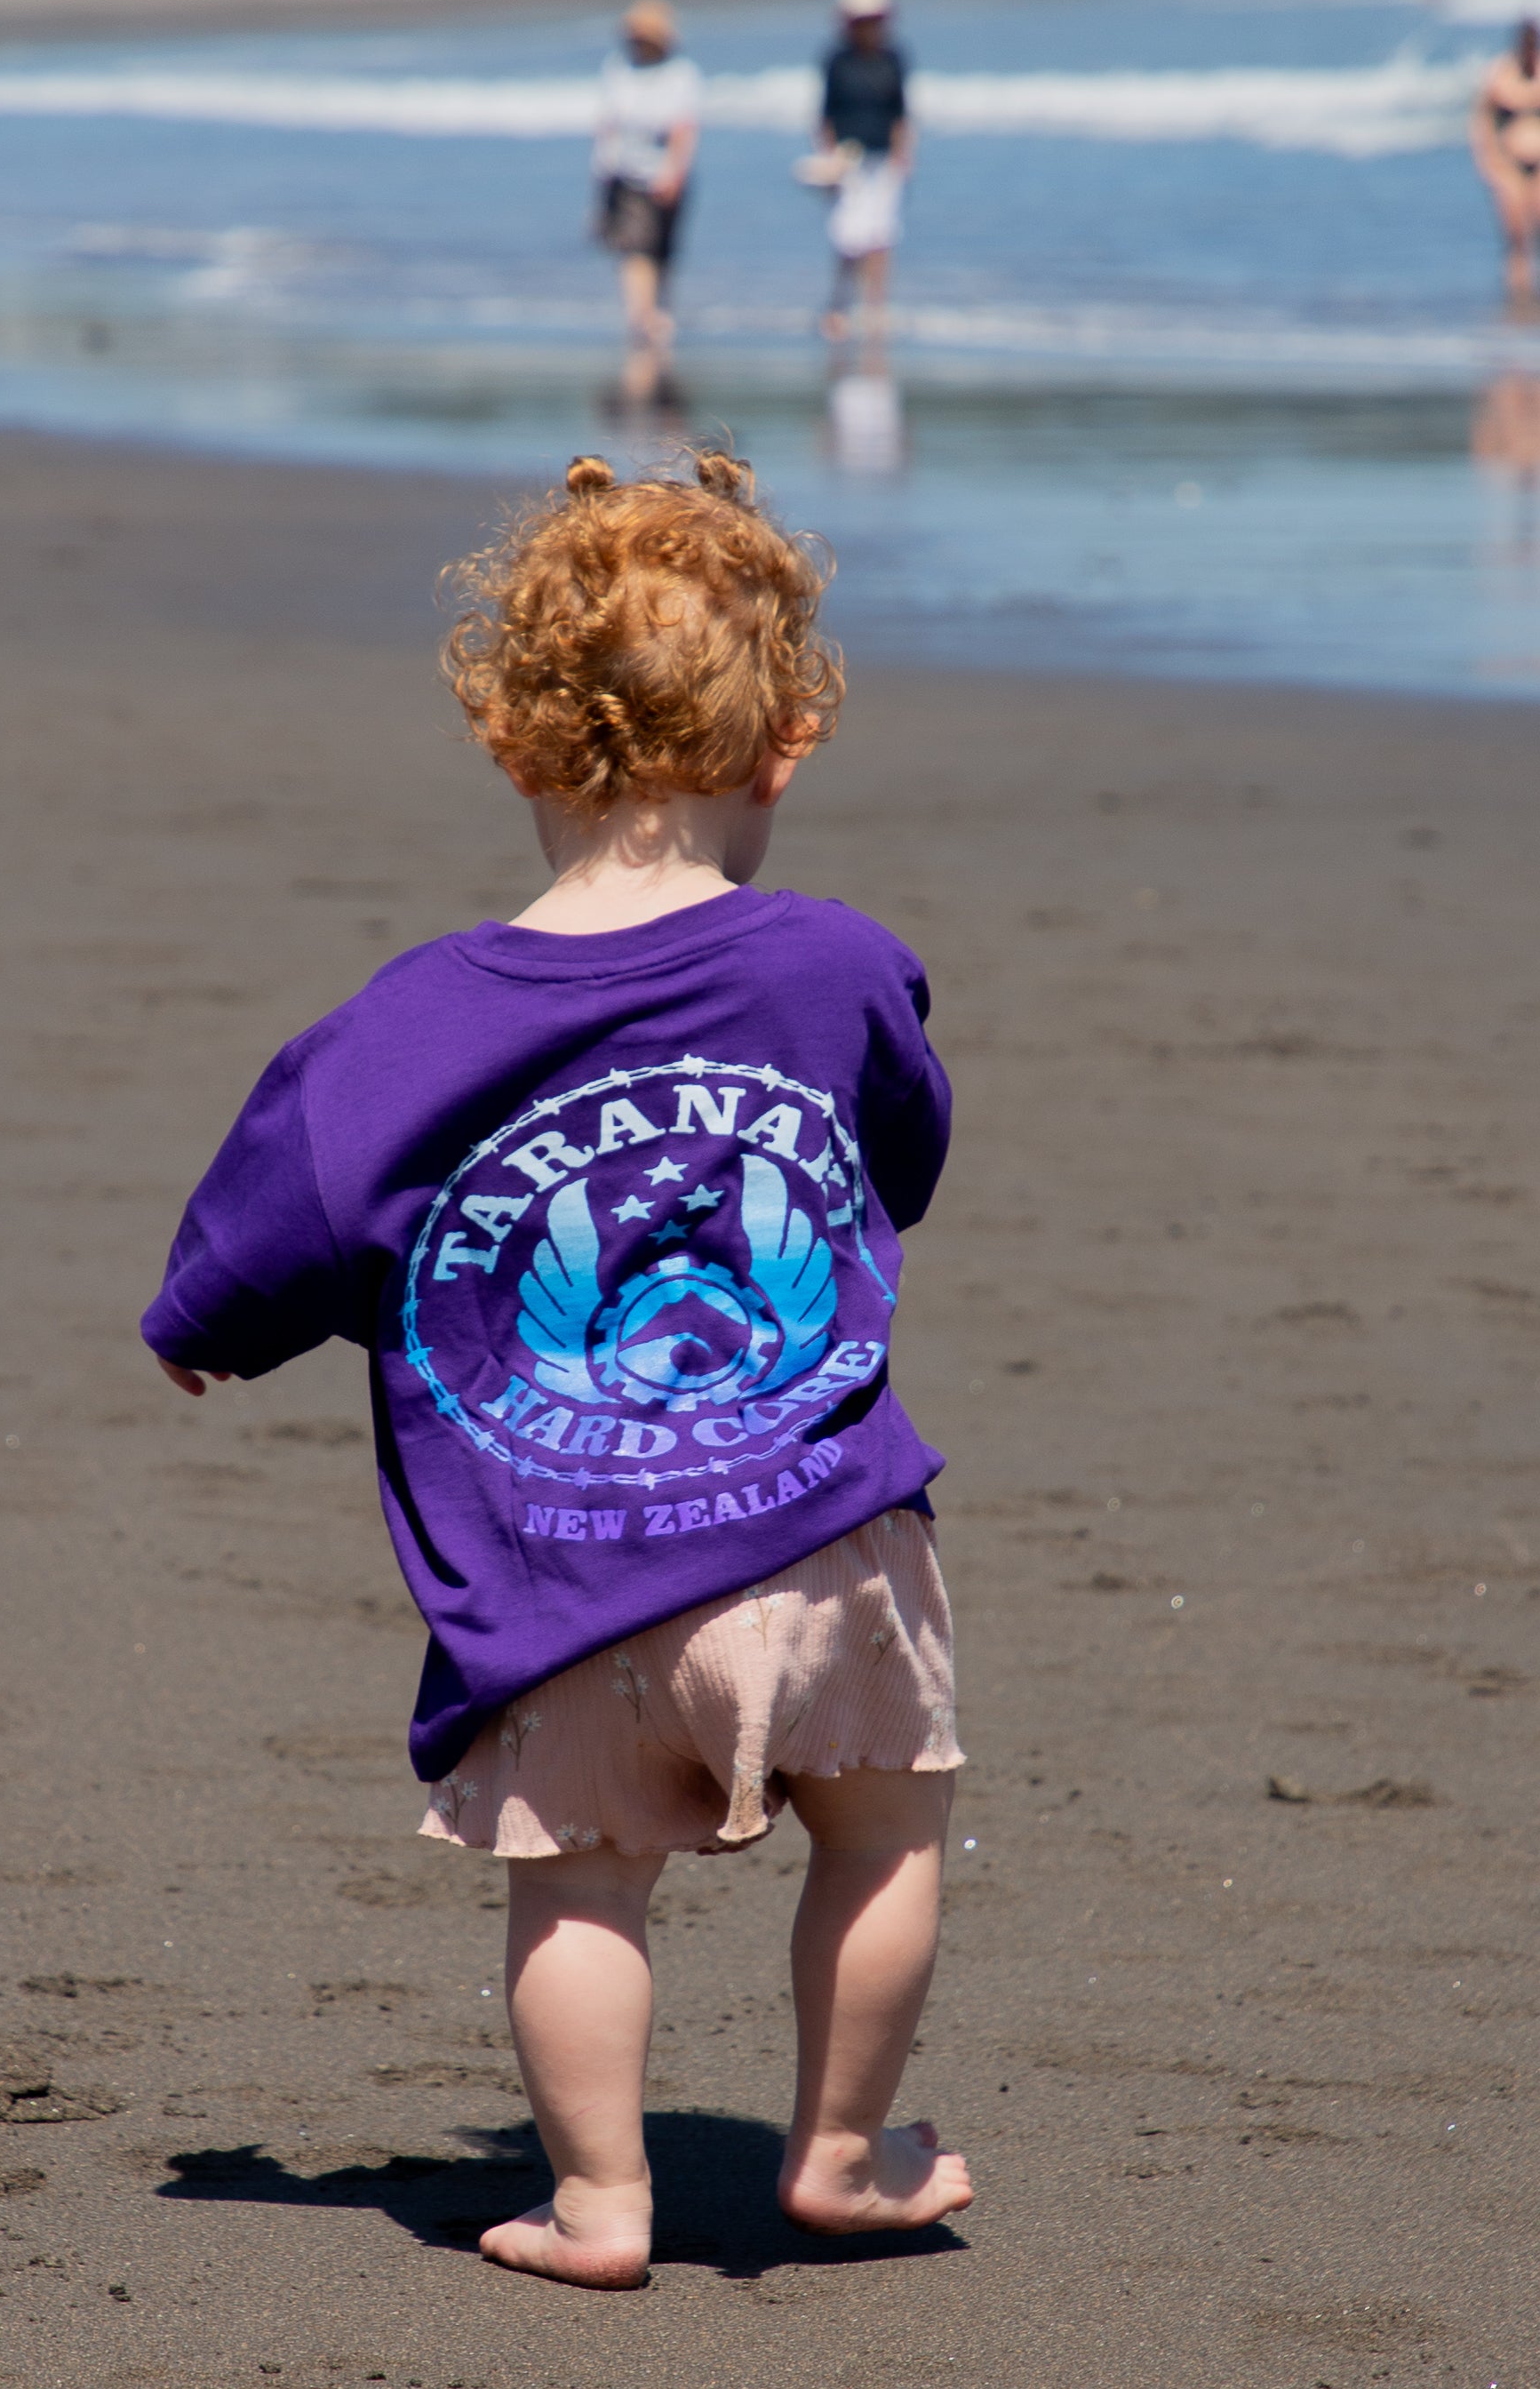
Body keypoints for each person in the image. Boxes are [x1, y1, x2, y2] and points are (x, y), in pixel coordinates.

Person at [143, 448, 968, 2287]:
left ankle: (599, 2200)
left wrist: (208, 1323)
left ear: (514, 748)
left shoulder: (412, 1015)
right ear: (783, 746)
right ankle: (839, 2151)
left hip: (561, 1568)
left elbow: (285, 1194)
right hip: (813, 1529)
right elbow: (888, 1146)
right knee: (886, 1828)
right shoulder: (831, 966)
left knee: (578, 1876)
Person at [590, 0, 701, 405]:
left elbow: (684, 127)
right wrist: (602, 174)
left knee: (662, 250)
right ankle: (642, 318)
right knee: (634, 247)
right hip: (625, 173)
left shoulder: (679, 73)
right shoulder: (618, 70)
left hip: (666, 172)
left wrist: (674, 170)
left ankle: (656, 313)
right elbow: (608, 125)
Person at [812, 0, 912, 339]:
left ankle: (875, 308)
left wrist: (904, 155)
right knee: (848, 235)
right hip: (846, 159)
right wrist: (829, 159)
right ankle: (839, 304)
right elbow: (824, 114)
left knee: (880, 235)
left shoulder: (894, 59)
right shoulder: (837, 60)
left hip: (883, 158)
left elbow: (902, 113)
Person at [1470, 19, 1540, 308]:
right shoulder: (1498, 73)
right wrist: (1489, 160)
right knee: (1518, 237)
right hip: (1510, 163)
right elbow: (1482, 121)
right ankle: (1520, 303)